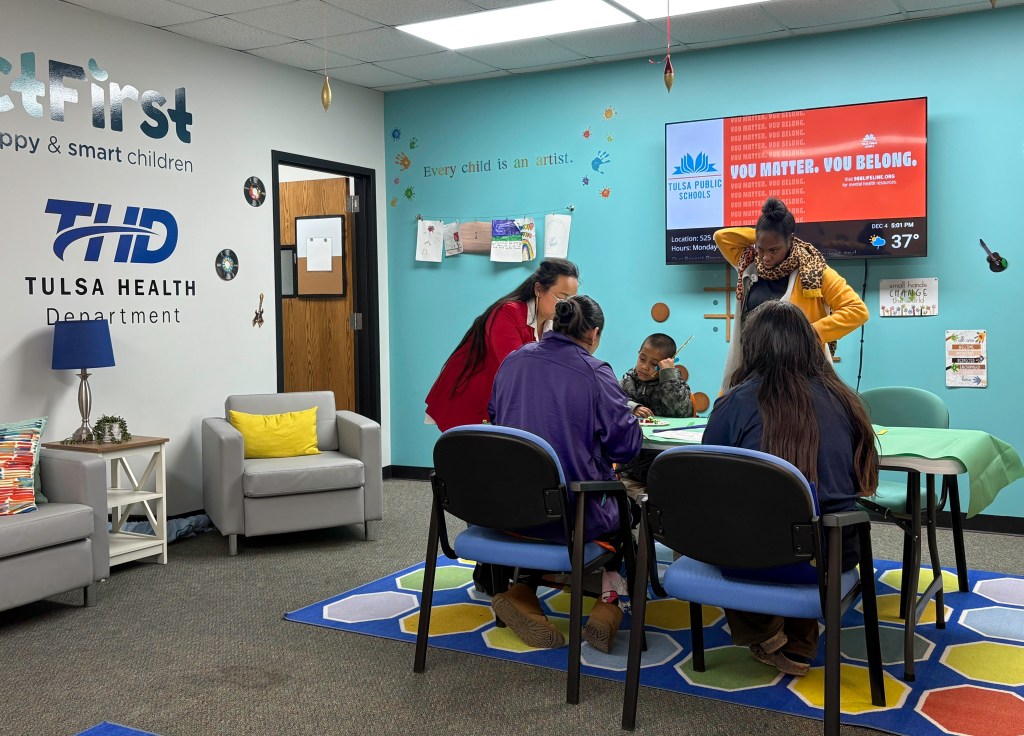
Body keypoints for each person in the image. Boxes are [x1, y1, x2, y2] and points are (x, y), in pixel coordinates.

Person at [702, 300, 879, 676]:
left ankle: (766, 632)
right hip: (827, 557)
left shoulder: (733, 402)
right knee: (800, 523)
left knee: (731, 521)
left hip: (748, 559)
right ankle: (798, 636)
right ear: (809, 343)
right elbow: (860, 484)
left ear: (752, 348)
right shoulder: (846, 400)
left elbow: (708, 477)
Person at [487, 295, 642, 652]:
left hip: (509, 511)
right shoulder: (595, 370)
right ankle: (608, 605)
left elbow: (497, 420)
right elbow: (626, 448)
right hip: (573, 516)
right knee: (624, 516)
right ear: (595, 333)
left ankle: (522, 591)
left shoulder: (512, 361)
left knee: (553, 506)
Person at [714, 197, 869, 392]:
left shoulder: (815, 271)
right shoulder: (749, 263)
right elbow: (722, 237)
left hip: (799, 374)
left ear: (790, 240)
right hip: (752, 370)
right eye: (761, 249)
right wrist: (762, 236)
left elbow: (858, 311)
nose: (766, 257)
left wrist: (809, 333)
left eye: (774, 249)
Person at [424, 257, 579, 432]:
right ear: (538, 289)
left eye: (571, 301)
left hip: (499, 403)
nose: (566, 307)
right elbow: (517, 372)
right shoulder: (508, 314)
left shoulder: (553, 326)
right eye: (561, 298)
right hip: (471, 400)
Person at [617, 333, 693, 501]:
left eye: (653, 364)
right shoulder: (628, 380)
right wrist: (632, 407)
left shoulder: (674, 382)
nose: (644, 367)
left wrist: (668, 375)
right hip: (631, 470)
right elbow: (614, 403)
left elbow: (680, 412)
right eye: (642, 359)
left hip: (664, 469)